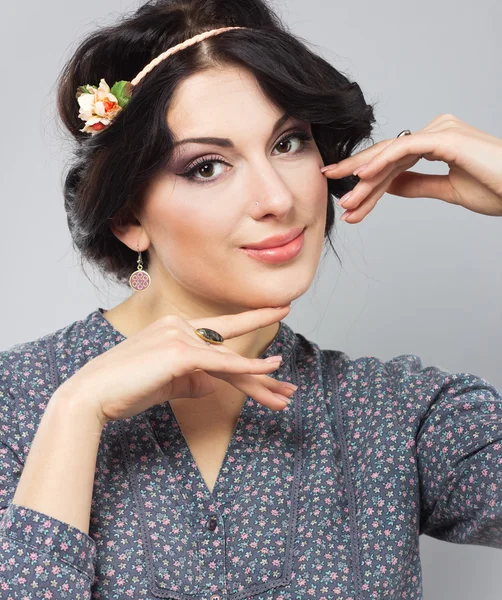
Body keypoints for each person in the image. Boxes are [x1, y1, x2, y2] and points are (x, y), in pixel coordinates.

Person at [1, 0, 501, 598]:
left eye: (289, 143)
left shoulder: (398, 416)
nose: (276, 198)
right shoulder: (17, 406)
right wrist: (76, 415)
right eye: (207, 166)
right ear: (128, 216)